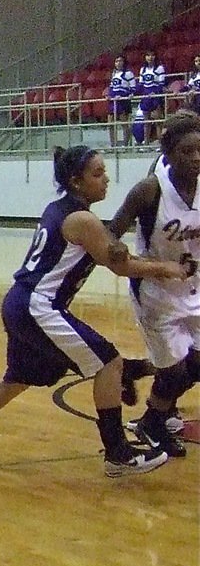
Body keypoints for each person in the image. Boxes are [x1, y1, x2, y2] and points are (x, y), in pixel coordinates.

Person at [0, 144, 188, 478]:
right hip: (39, 306)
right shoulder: (83, 220)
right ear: (76, 181)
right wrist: (166, 268)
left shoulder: (58, 209)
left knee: (20, 377)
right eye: (97, 174)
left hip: (19, 302)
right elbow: (121, 266)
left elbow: (111, 246)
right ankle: (118, 454)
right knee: (108, 363)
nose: (106, 179)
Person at [106, 109, 200, 458]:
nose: (196, 157)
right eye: (187, 151)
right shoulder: (149, 190)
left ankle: (136, 371)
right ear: (168, 154)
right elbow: (111, 233)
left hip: (194, 286)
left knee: (195, 365)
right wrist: (117, 249)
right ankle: (152, 423)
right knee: (174, 374)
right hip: (155, 292)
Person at [106, 54, 136, 147]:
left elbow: (133, 88)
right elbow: (112, 87)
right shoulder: (114, 73)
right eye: (116, 61)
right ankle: (113, 144)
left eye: (120, 61)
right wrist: (109, 95)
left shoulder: (128, 73)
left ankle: (125, 144)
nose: (118, 63)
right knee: (110, 123)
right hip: (113, 101)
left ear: (124, 62)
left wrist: (123, 95)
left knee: (124, 123)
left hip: (123, 100)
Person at [138, 50, 167, 143]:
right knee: (146, 122)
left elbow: (161, 83)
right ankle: (146, 143)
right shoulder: (143, 69)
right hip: (146, 96)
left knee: (158, 121)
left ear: (155, 57)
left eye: (152, 55)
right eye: (148, 55)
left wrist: (155, 93)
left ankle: (160, 143)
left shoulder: (159, 68)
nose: (150, 57)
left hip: (156, 96)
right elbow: (141, 84)